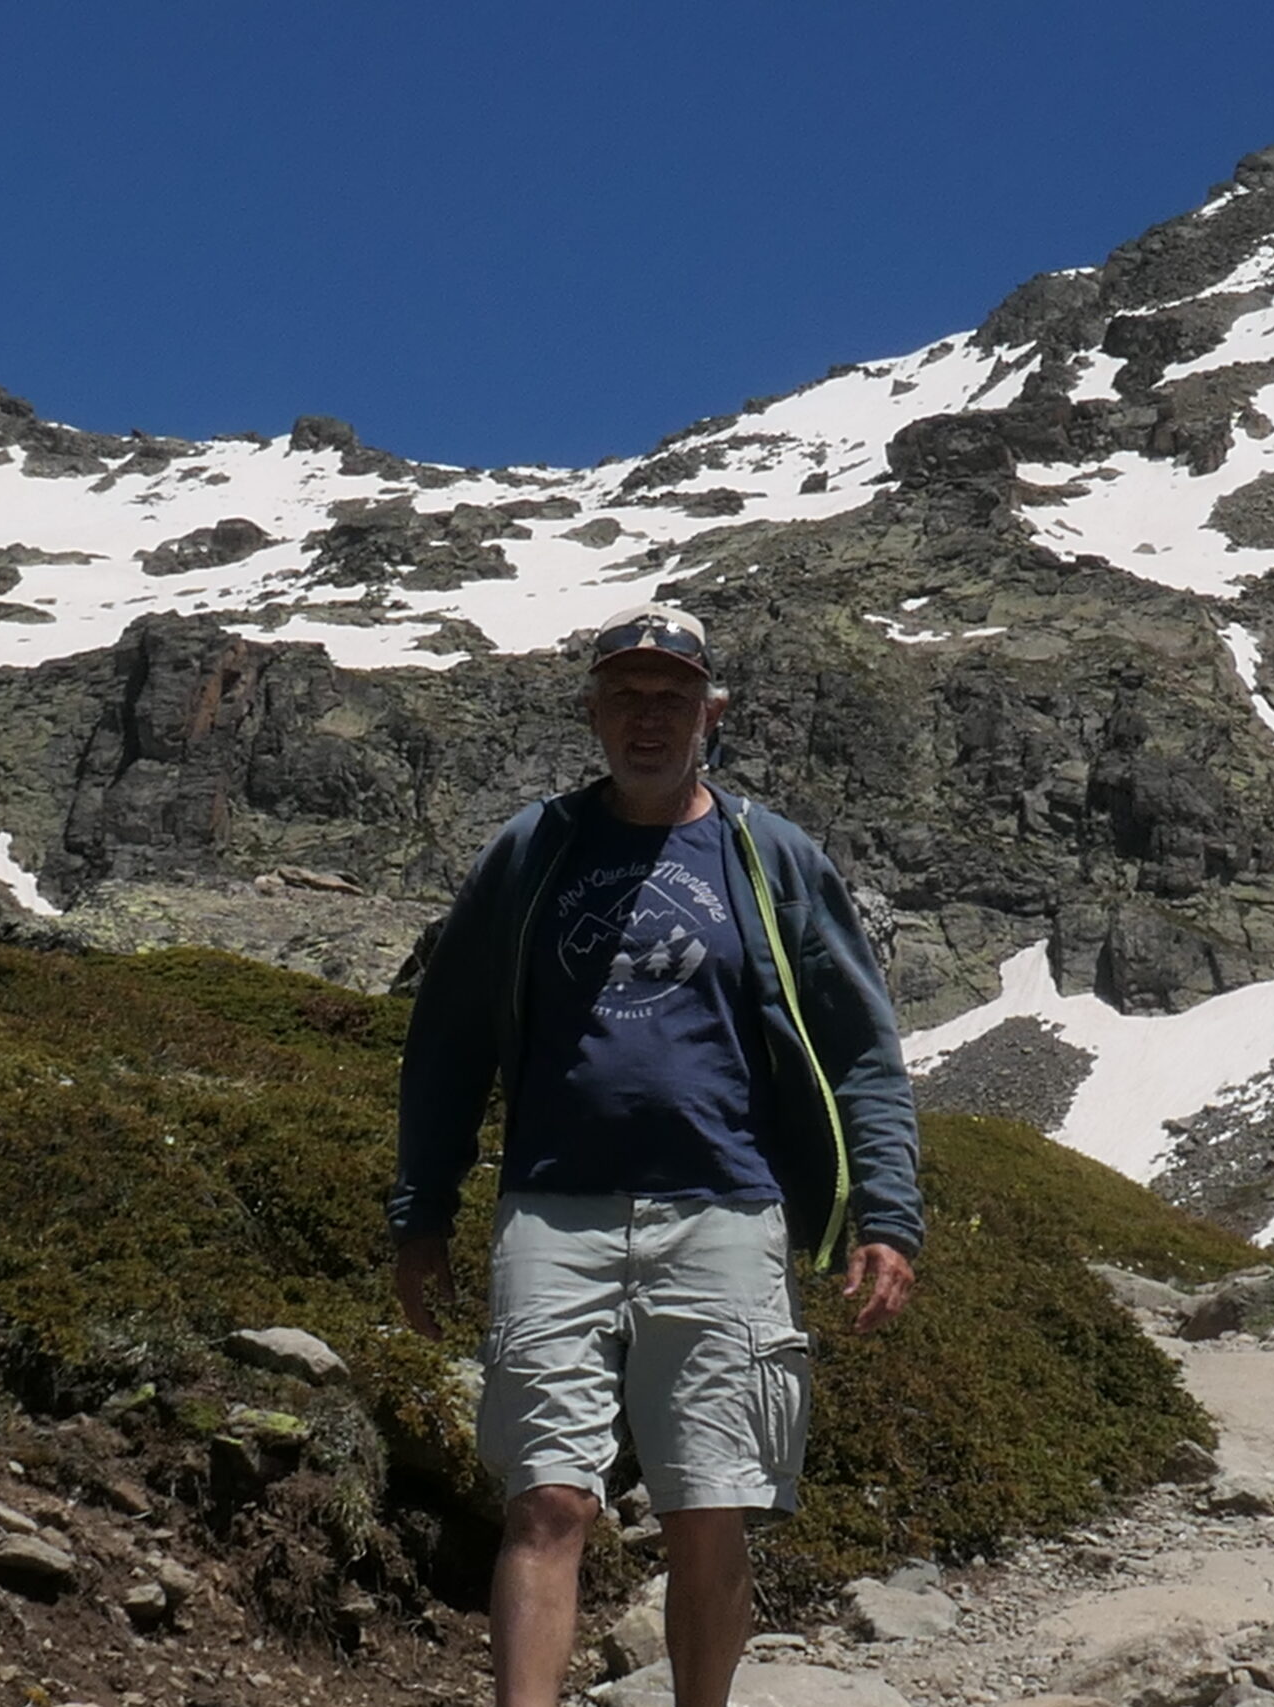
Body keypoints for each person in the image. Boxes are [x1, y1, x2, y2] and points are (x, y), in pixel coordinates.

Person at [389, 603, 922, 1707]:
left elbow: (860, 1049)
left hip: (725, 1210)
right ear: (591, 713)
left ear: (709, 714)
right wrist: (422, 1212)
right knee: (547, 1498)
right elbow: (446, 1041)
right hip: (552, 1213)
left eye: (671, 697)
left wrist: (887, 1215)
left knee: (708, 1506)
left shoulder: (770, 858)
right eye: (625, 696)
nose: (648, 717)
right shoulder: (532, 850)